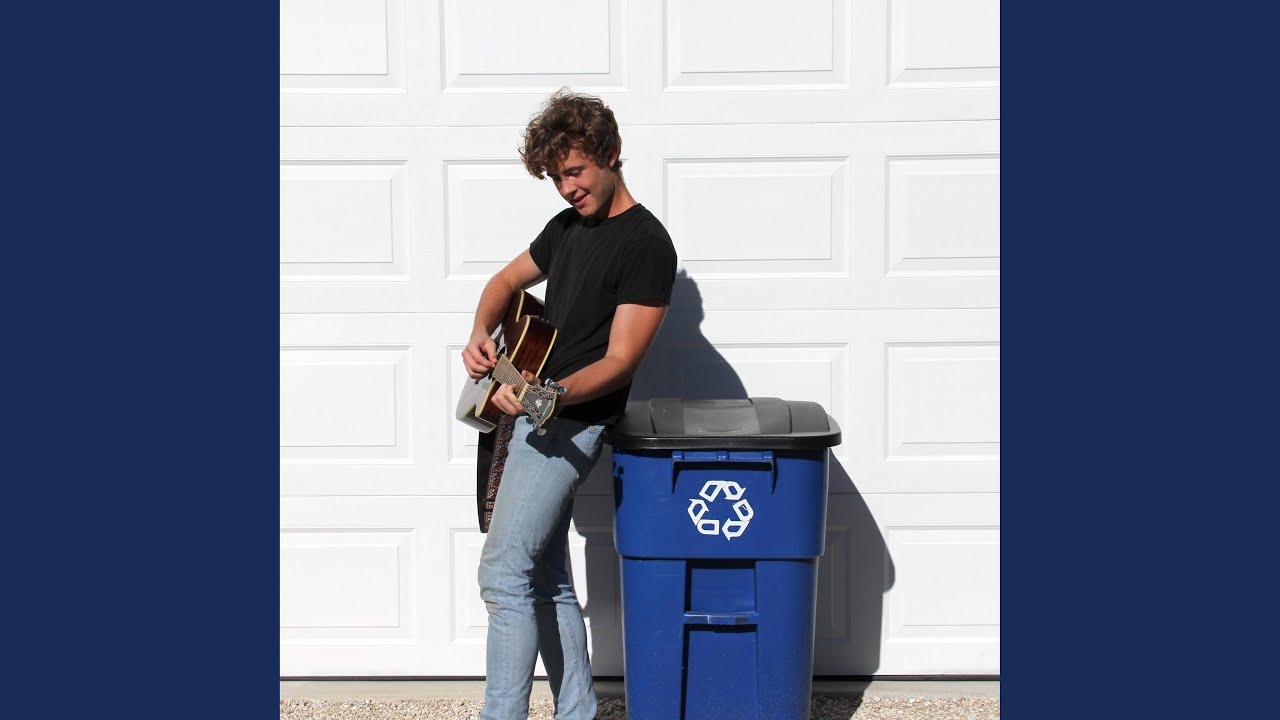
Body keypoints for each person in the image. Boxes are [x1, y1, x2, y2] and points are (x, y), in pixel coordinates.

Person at [461, 90, 678, 720]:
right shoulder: (566, 229)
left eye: (575, 171)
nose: (566, 188)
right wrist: (480, 333)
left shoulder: (646, 244)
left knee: (503, 574)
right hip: (532, 415)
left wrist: (547, 395)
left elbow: (620, 361)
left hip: (571, 423)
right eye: (556, 177)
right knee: (544, 574)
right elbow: (504, 282)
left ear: (611, 153)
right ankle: (577, 712)